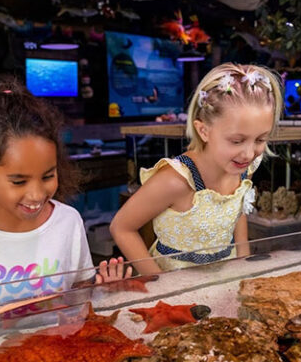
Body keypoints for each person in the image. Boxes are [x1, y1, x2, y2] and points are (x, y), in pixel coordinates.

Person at [0, 82, 130, 318]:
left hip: (58, 347)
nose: (37, 194)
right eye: (19, 182)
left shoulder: (68, 221)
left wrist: (103, 291)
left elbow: (80, 293)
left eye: (48, 176)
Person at [110, 63, 283, 275]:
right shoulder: (175, 180)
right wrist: (159, 282)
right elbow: (121, 227)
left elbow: (238, 216)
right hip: (175, 289)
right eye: (237, 141)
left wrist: (243, 269)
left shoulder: (245, 168)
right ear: (203, 130)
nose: (249, 153)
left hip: (225, 277)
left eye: (260, 139)